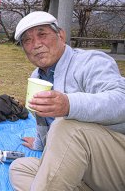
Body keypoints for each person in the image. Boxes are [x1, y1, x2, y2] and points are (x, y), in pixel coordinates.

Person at [9, 11, 125, 190]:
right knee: (20, 168)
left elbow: (121, 101)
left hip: (113, 161)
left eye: (42, 34)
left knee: (66, 127)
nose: (36, 45)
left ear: (61, 35)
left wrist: (69, 104)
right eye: (27, 40)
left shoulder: (91, 62)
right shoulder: (38, 76)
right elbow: (44, 120)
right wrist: (41, 142)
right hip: (82, 165)